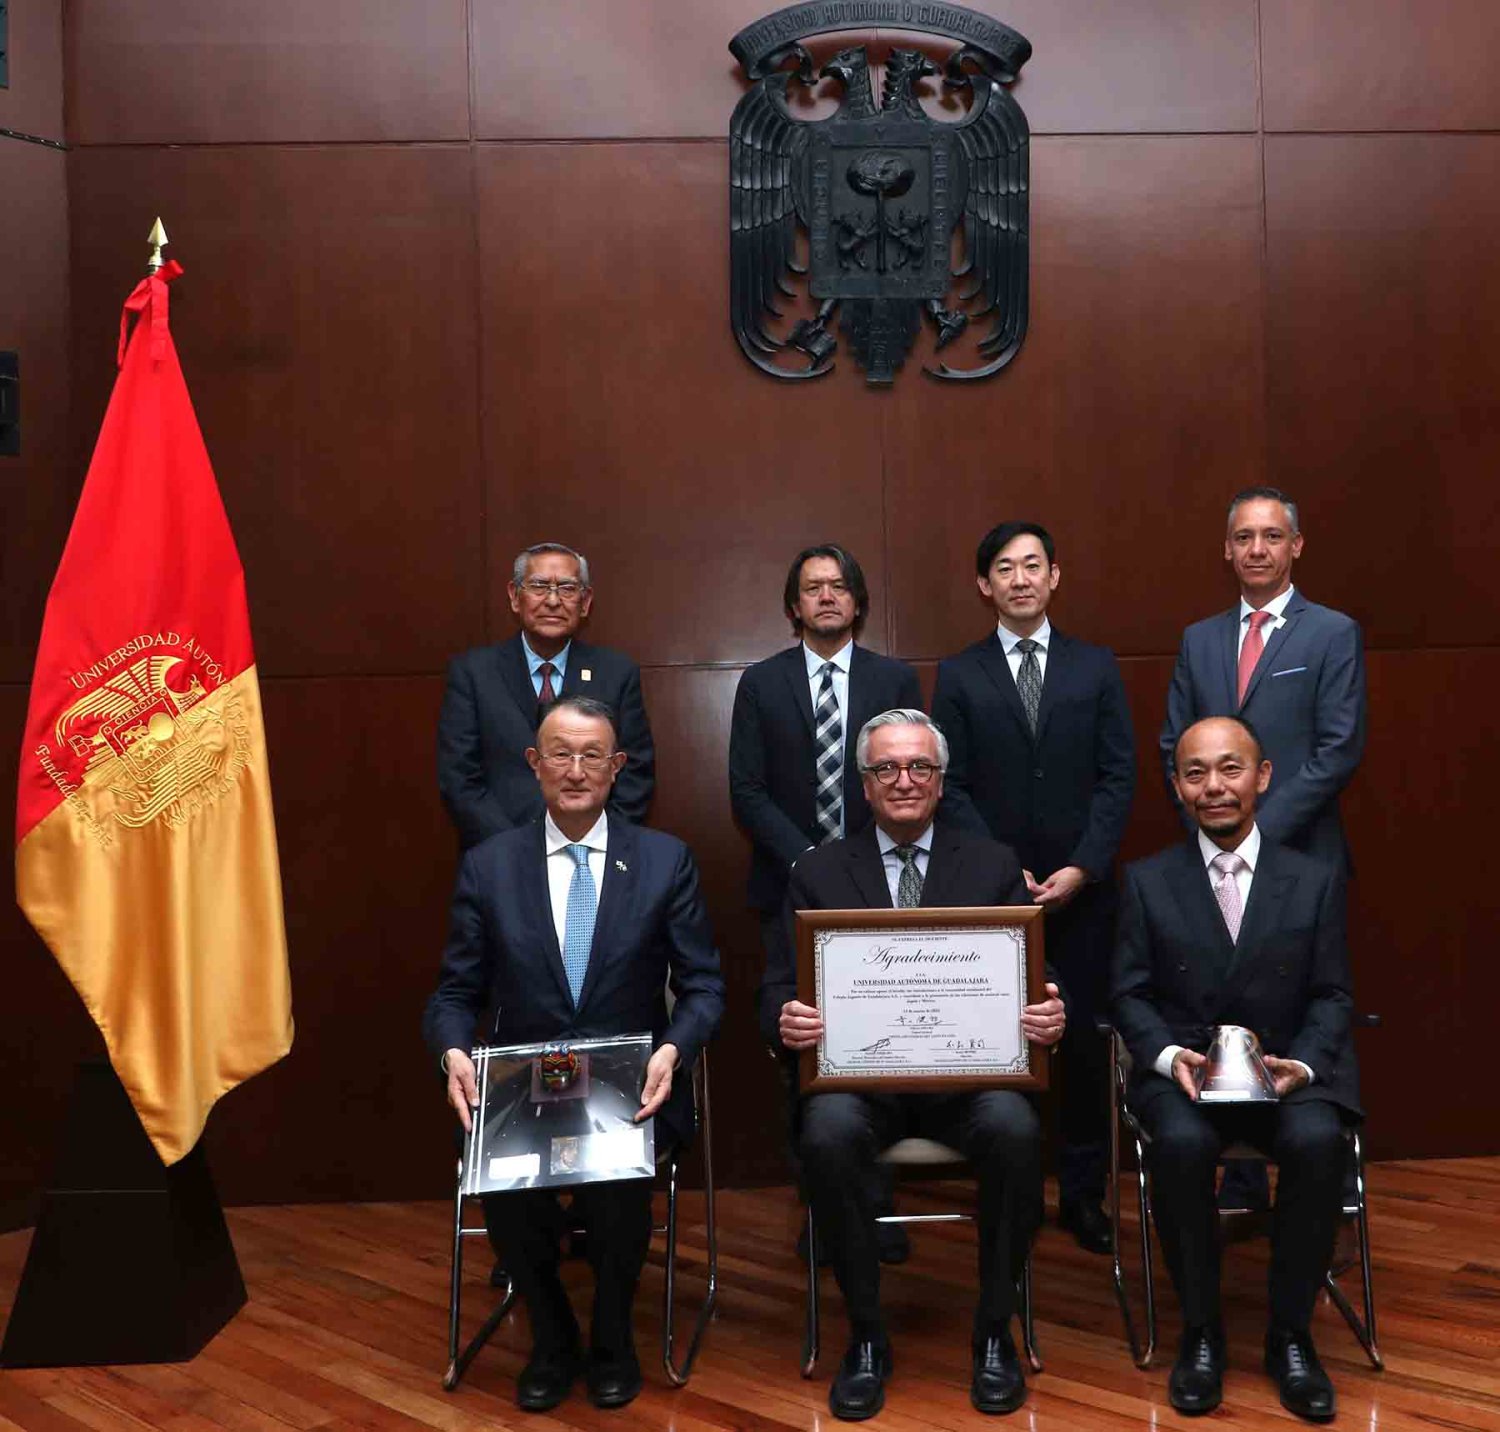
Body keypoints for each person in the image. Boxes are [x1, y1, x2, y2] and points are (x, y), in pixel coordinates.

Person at [760, 709, 1066, 1418]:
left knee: (1016, 1130)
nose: (904, 780)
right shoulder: (819, 872)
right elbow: (777, 983)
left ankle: (995, 1330)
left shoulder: (991, 863)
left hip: (968, 1080)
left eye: (919, 767)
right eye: (886, 769)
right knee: (827, 1134)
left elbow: (1033, 975)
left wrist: (1053, 1012)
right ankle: (866, 1335)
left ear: (940, 779)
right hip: (862, 1085)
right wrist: (786, 1019)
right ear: (863, 785)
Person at [424, 696, 724, 1411]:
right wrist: (453, 1055)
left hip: (635, 1086)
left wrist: (676, 1049)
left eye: (594, 755)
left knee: (622, 1191)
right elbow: (453, 995)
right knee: (504, 1188)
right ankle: (553, 1338)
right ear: (534, 764)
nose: (577, 769)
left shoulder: (663, 859)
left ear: (618, 768)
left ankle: (613, 1338)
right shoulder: (490, 866)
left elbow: (705, 985)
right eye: (561, 753)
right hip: (526, 1088)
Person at [1112, 716, 1359, 1421]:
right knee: (1182, 1147)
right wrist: (1166, 1058)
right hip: (1186, 1076)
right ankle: (1201, 1331)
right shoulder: (1147, 881)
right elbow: (1127, 994)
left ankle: (1291, 1336)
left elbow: (1333, 993)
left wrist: (1304, 1067)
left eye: (1229, 768)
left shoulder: (1313, 879)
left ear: (1262, 777)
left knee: (1317, 1144)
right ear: (1178, 786)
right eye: (1195, 773)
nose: (1214, 786)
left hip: (1287, 1073)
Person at [1159, 488, 1365, 1215]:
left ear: (1295, 546)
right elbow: (1173, 744)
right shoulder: (1199, 639)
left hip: (1303, 860)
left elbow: (1338, 750)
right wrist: (1211, 825)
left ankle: (1330, 1184)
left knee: (1310, 1002)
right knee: (1224, 998)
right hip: (1211, 862)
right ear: (1227, 549)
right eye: (1243, 537)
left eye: (1270, 536)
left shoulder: (1332, 633)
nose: (1256, 548)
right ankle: (1241, 1176)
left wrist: (1253, 833)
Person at [932, 521, 1134, 1255]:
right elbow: (947, 784)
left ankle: (1083, 1196)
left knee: (1080, 1047)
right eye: (1004, 569)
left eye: (1033, 566)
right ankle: (1009, 1197)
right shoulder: (957, 675)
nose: (1020, 579)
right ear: (984, 585)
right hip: (993, 897)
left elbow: (1119, 777)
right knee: (999, 1049)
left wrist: (1083, 866)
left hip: (1082, 895)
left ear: (1056, 577)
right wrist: (998, 869)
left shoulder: (1097, 667)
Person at [730, 543, 923, 1262]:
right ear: (793, 606)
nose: (827, 597)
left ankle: (878, 1201)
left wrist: (859, 862)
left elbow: (912, 780)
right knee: (803, 1046)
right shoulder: (761, 683)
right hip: (789, 890)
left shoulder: (892, 676)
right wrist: (813, 862)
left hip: (884, 889)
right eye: (813, 588)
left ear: (858, 601)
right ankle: (822, 1203)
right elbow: (746, 788)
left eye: (840, 587)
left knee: (886, 1041)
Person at [438, 543, 655, 850]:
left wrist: (592, 845)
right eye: (539, 586)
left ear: (585, 601)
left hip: (592, 857)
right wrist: (513, 850)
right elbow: (460, 779)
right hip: (497, 857)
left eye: (567, 588)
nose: (553, 600)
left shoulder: (616, 673)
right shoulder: (473, 673)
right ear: (515, 596)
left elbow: (635, 774)